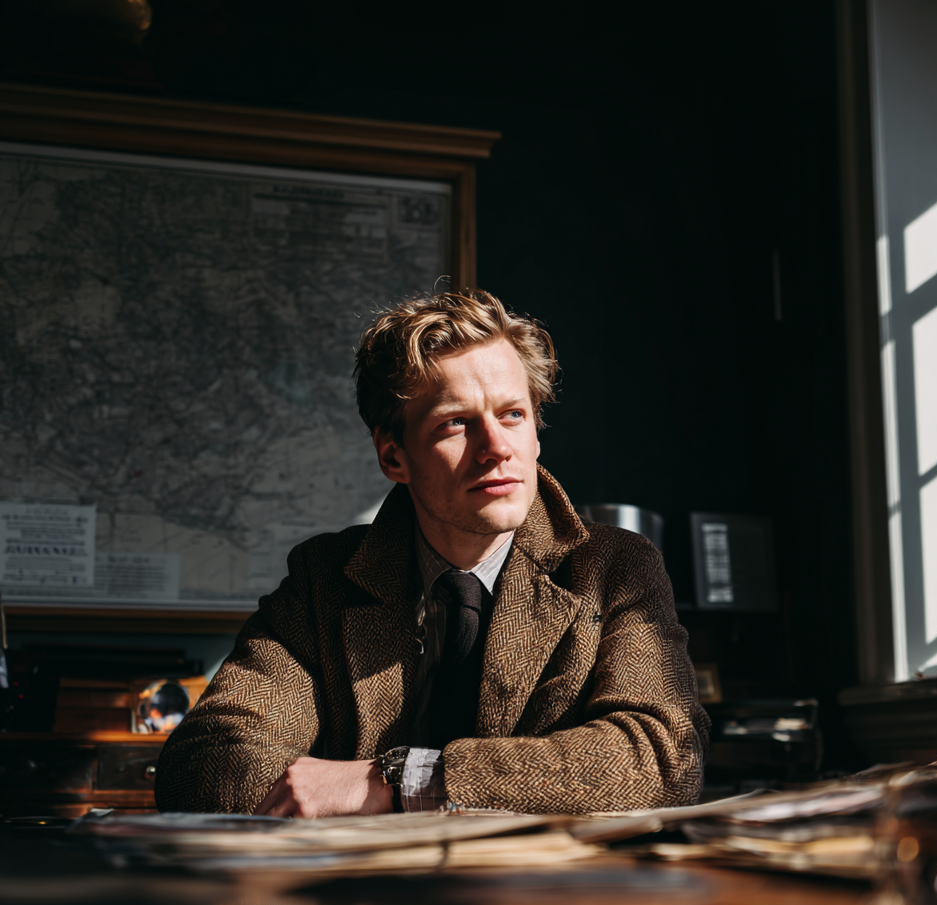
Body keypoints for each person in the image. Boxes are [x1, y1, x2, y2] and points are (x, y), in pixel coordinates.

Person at [156, 290, 709, 817]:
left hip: (542, 902)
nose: (497, 448)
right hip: (367, 901)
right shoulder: (323, 578)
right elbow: (204, 765)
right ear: (393, 456)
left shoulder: (614, 568)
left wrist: (397, 780)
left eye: (513, 414)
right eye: (456, 423)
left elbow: (665, 757)